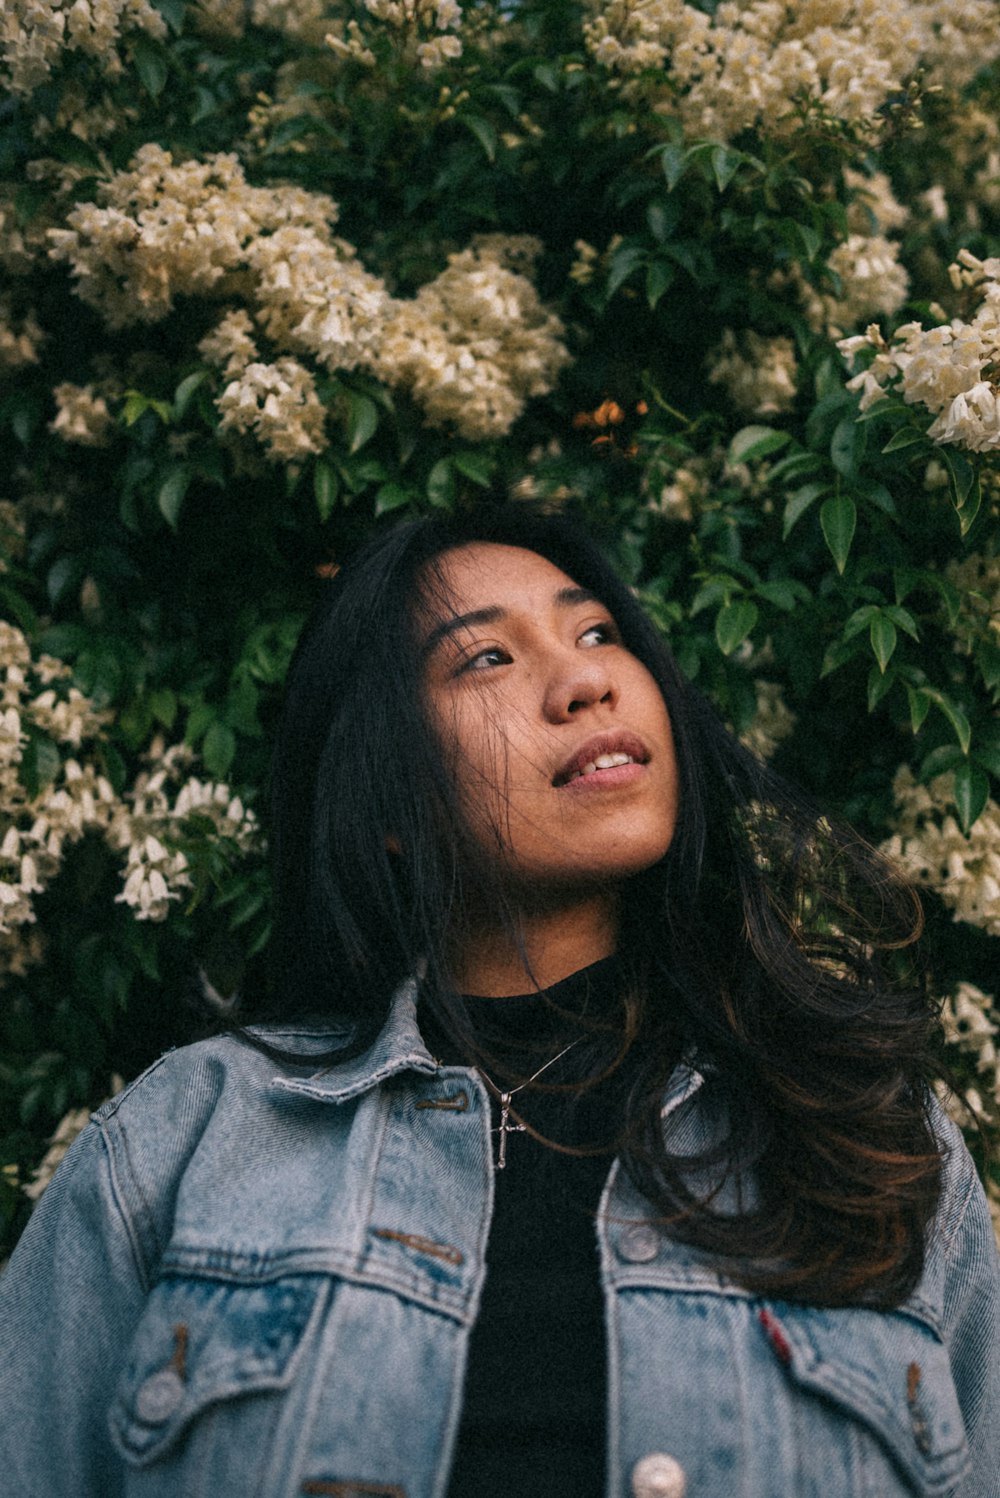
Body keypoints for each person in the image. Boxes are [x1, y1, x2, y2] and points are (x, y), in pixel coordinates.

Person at [1, 503, 998, 1498]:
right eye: (485, 658)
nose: (587, 679)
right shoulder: (183, 1141)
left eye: (597, 632)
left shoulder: (873, 1140)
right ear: (389, 796)